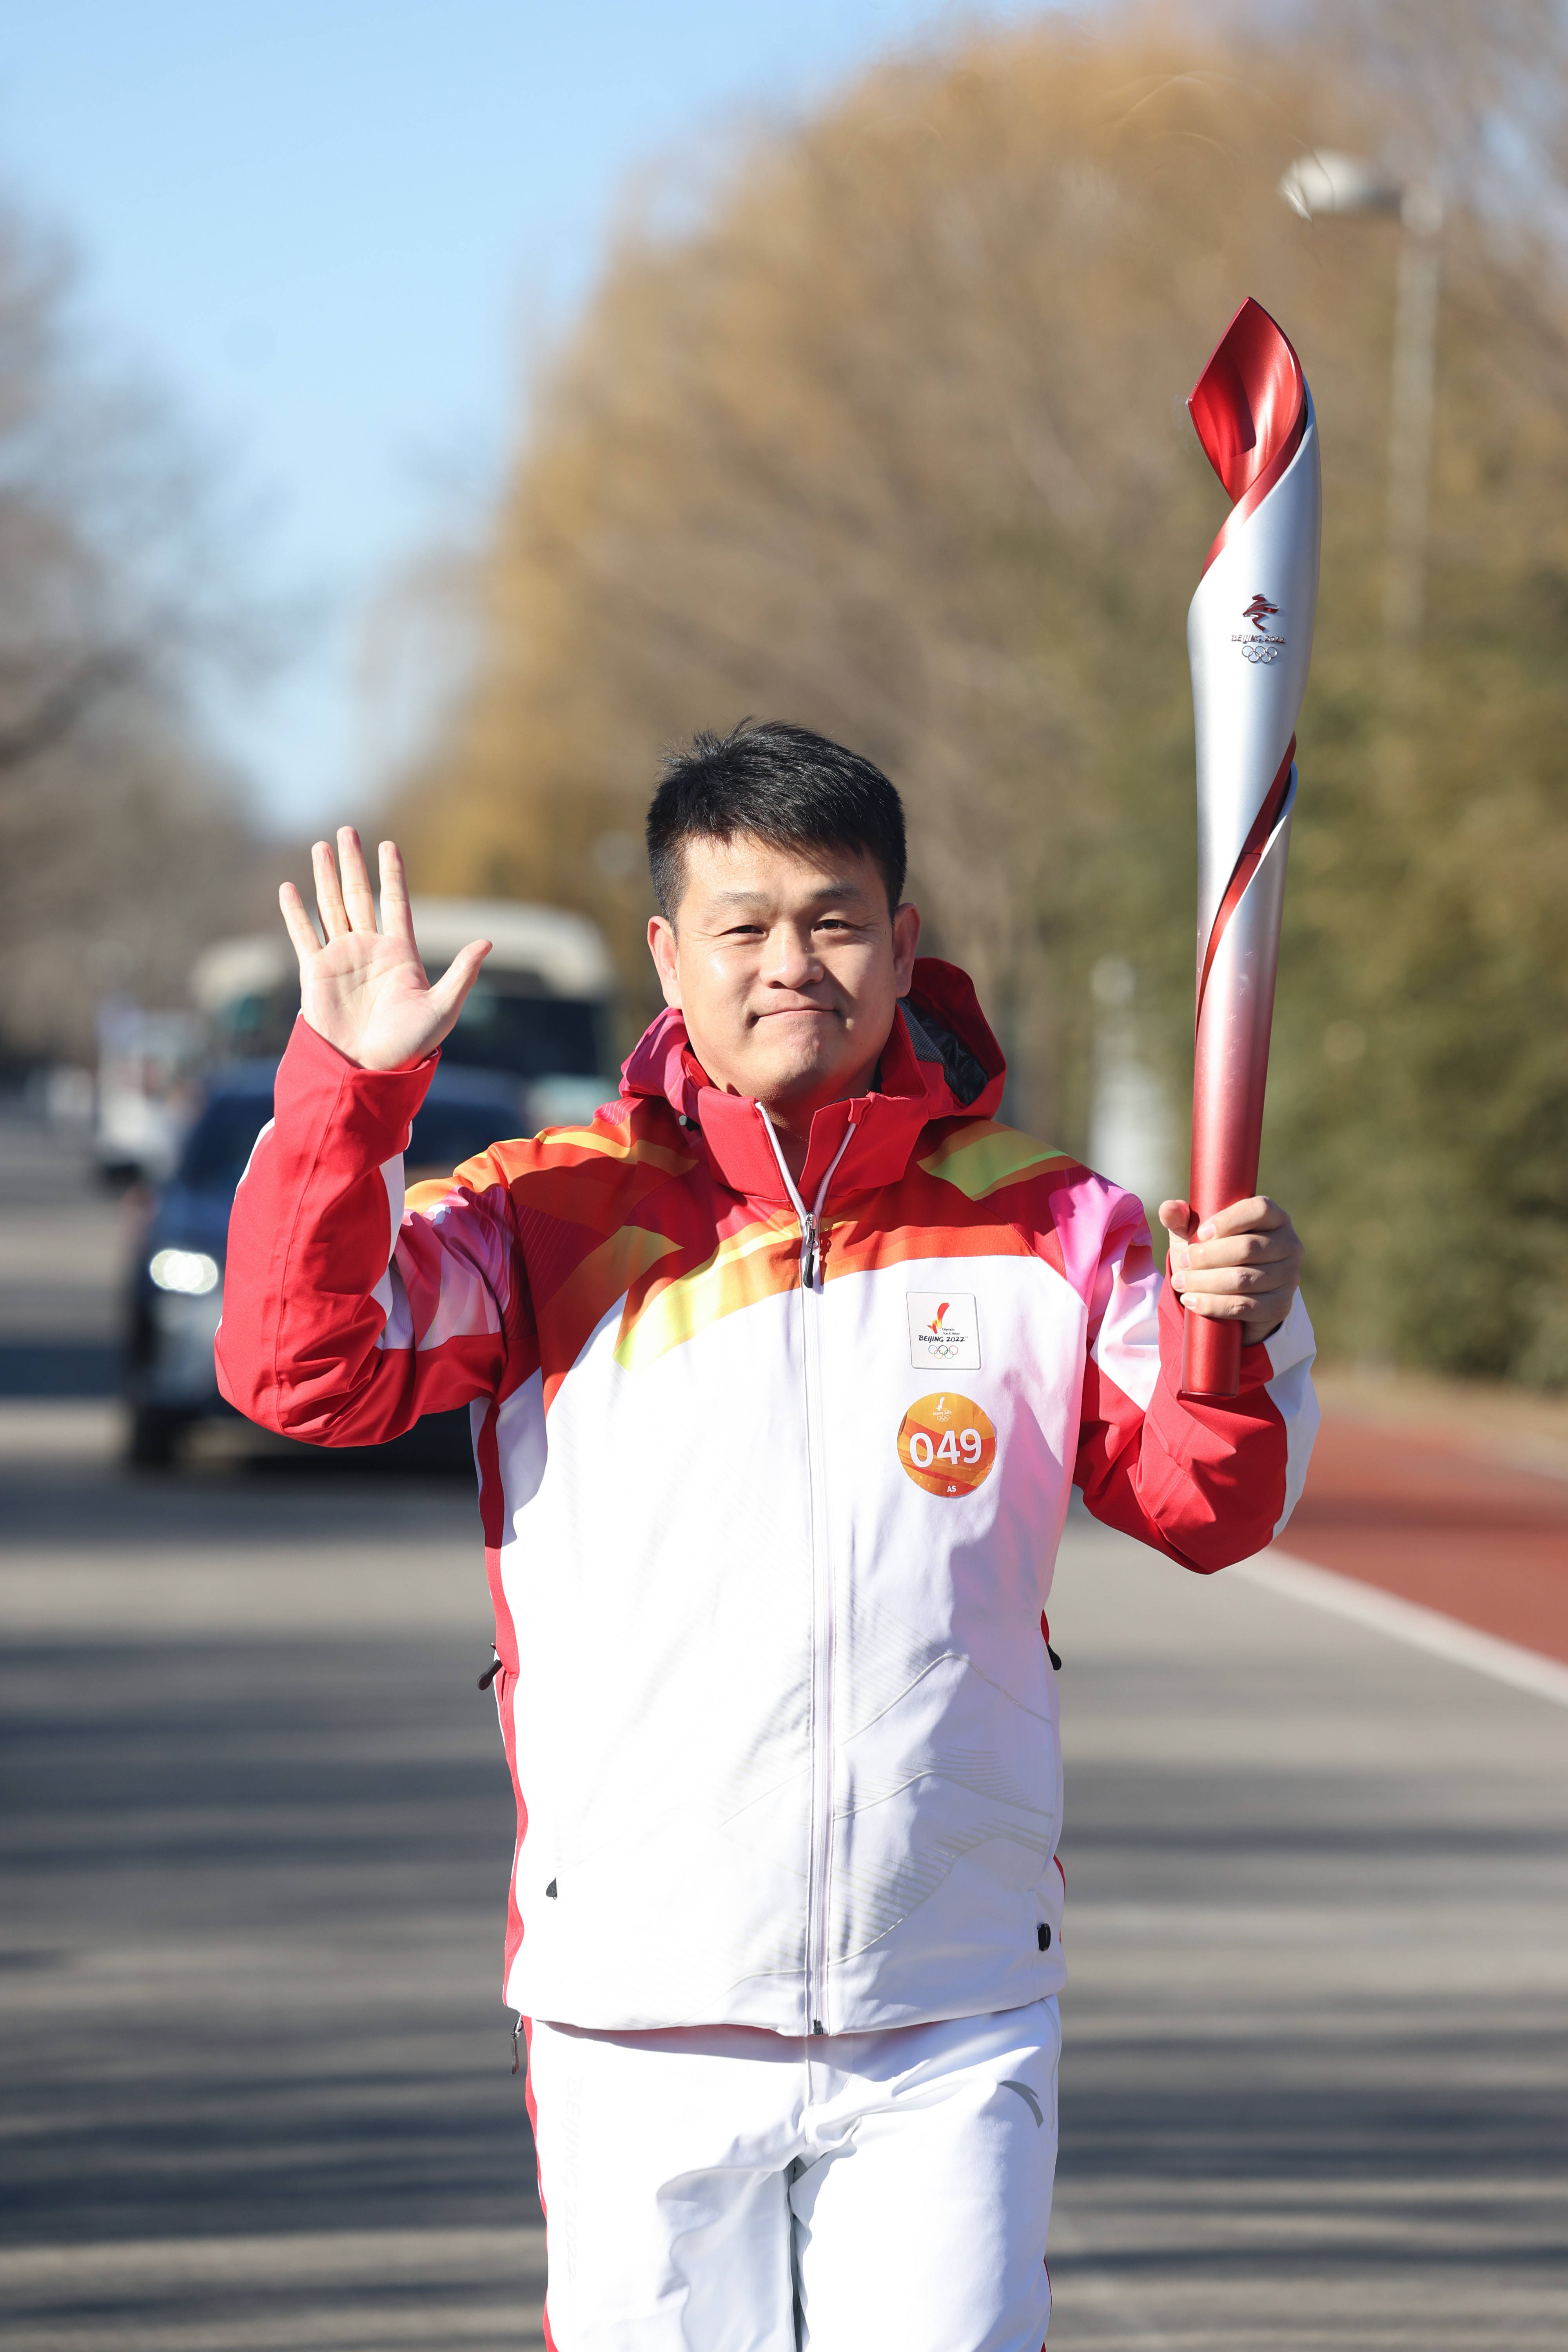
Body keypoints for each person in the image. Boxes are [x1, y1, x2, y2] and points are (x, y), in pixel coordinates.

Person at [217, 721, 1316, 2350]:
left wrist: (1251, 1334)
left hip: (946, 2002)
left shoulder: (1055, 1225)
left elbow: (1211, 1505)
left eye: (834, 916)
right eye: (743, 925)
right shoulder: (545, 1213)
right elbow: (304, 1370)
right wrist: (350, 1097)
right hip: (639, 2002)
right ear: (670, 953)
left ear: (901, 940)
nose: (791, 961)